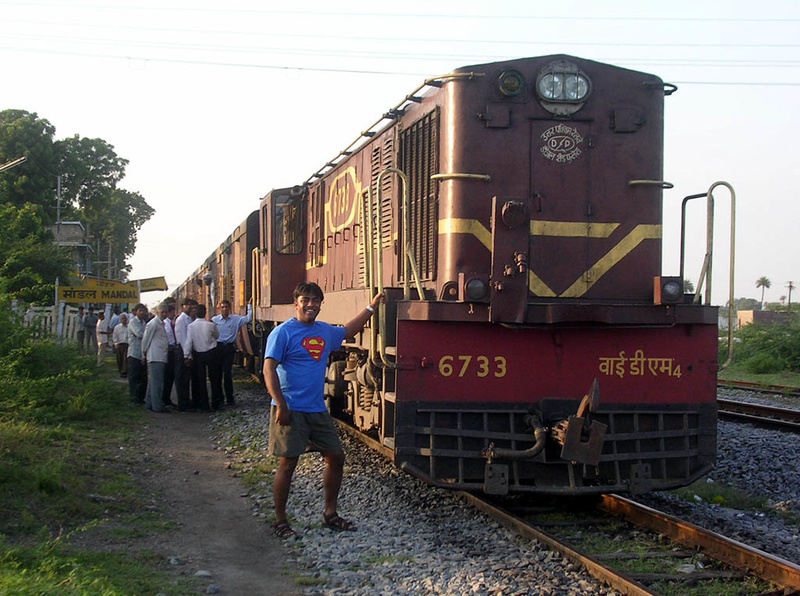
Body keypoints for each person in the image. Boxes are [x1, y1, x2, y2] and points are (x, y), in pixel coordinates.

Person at [263, 282, 382, 539]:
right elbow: (268, 369)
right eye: (305, 300)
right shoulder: (282, 333)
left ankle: (330, 513)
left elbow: (349, 330)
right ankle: (280, 520)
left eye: (315, 300)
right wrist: (281, 405)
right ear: (296, 302)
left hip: (317, 409)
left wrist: (371, 307)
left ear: (320, 304)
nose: (310, 305)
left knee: (336, 457)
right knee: (288, 463)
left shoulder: (324, 332)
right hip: (290, 408)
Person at [212, 299, 252, 407]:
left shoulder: (236, 319)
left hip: (229, 348)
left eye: (226, 307)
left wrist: (249, 306)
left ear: (230, 308)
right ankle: (219, 398)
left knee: (227, 373)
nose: (225, 309)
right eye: (223, 307)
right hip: (218, 348)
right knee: (218, 374)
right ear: (219, 308)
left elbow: (248, 319)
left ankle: (230, 399)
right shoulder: (214, 320)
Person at [186, 304, 221, 412]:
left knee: (201, 380)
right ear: (205, 313)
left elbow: (189, 342)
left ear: (196, 313)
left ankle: (204, 405)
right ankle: (216, 403)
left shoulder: (191, 326)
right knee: (214, 378)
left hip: (198, 354)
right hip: (211, 353)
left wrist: (186, 355)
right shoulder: (211, 325)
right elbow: (217, 336)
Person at [142, 302, 170, 413]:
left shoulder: (161, 324)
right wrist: (143, 353)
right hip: (155, 356)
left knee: (153, 382)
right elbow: (146, 339)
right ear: (157, 312)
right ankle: (157, 406)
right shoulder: (153, 323)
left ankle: (150, 404)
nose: (164, 314)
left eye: (165, 312)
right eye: (162, 312)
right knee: (157, 383)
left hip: (160, 356)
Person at [173, 299, 195, 411]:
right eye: (188, 305)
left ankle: (186, 401)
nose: (190, 307)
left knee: (186, 379)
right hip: (182, 351)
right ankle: (182, 404)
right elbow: (181, 338)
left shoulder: (189, 319)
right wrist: (186, 356)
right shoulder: (181, 320)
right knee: (182, 379)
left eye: (191, 305)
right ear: (183, 306)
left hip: (186, 351)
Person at [127, 303, 148, 404]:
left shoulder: (144, 323)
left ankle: (140, 398)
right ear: (136, 312)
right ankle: (133, 398)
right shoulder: (133, 322)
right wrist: (147, 335)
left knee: (143, 378)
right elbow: (140, 334)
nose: (143, 312)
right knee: (134, 377)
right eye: (140, 311)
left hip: (142, 355)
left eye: (144, 311)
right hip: (134, 354)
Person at [162, 303, 177, 408]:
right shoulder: (164, 324)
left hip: (172, 350)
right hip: (168, 350)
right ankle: (165, 399)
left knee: (170, 376)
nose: (173, 314)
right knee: (167, 376)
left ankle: (167, 398)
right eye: (172, 312)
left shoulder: (171, 323)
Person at [112, 313, 129, 378]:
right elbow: (115, 336)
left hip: (126, 344)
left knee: (125, 359)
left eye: (125, 318)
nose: (124, 320)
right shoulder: (117, 327)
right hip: (119, 344)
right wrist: (116, 343)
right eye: (122, 318)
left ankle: (124, 372)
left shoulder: (129, 327)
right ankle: (120, 370)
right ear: (120, 320)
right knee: (120, 359)